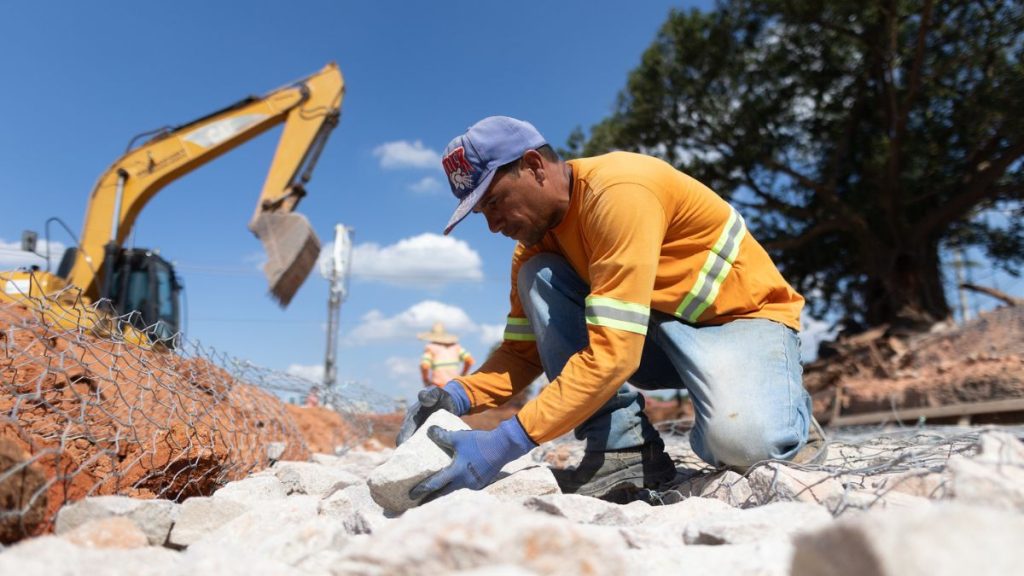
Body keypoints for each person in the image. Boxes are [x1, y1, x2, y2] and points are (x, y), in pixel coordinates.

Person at [398, 116, 825, 503]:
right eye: (480, 213)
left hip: (741, 322)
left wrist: (507, 441)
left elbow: (613, 353)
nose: (492, 225)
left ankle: (787, 413)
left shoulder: (618, 192)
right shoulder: (533, 245)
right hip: (654, 337)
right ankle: (625, 449)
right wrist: (456, 395)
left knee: (743, 447)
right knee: (537, 274)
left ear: (533, 165)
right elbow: (522, 353)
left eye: (493, 202)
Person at [418, 322, 474, 388]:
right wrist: (463, 374)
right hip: (455, 385)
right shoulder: (456, 346)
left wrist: (426, 380)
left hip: (439, 386)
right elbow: (470, 360)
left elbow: (425, 366)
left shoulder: (430, 347)